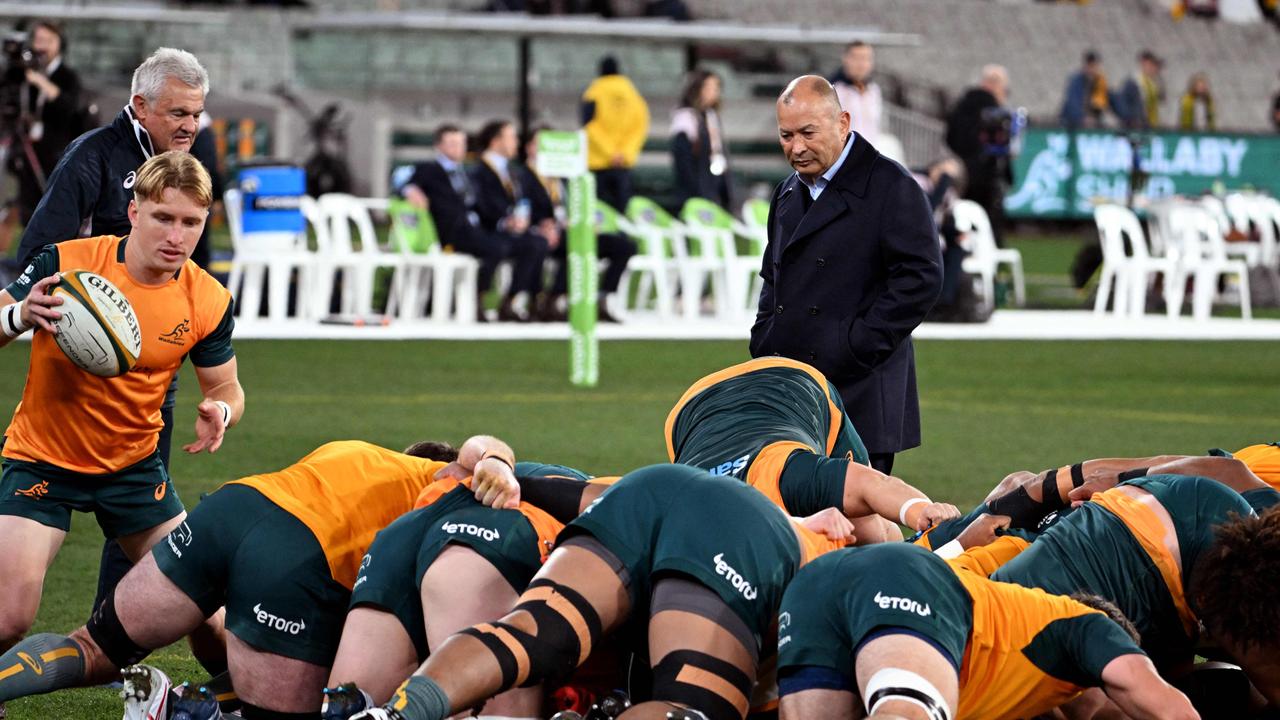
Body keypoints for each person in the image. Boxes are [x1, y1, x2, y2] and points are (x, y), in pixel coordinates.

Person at [0, 436, 519, 719]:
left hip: (231, 510)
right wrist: (498, 462)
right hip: (296, 555)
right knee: (346, 692)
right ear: (445, 468)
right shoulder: (441, 485)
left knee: (93, 647)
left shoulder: (354, 450)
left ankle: (183, 703)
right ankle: (181, 708)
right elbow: (480, 445)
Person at [348, 463, 853, 720]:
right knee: (694, 709)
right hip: (739, 540)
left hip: (645, 487)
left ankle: (394, 714)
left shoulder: (809, 533)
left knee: (534, 635)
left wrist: (509, 473)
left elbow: (585, 493)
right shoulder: (840, 579)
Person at [10, 46, 213, 661]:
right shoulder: (94, 153)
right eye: (178, 112)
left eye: (198, 114)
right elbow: (41, 248)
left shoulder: (188, 162)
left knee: (133, 511)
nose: (189, 126)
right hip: (80, 364)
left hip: (156, 362)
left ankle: (113, 648)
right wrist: (71, 313)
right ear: (140, 105)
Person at [750, 76, 942, 477]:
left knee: (860, 531)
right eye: (786, 135)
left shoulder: (892, 186)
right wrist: (765, 338)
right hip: (796, 391)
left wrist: (855, 345)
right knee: (804, 530)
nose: (796, 147)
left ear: (842, 123)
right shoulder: (787, 193)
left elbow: (921, 278)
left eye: (807, 133)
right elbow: (773, 275)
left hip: (862, 394)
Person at [775, 543, 1198, 720]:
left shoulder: (1014, 674)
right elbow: (1167, 707)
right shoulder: (1089, 626)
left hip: (816, 585)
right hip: (902, 579)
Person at [320, 461, 599, 718]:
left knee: (347, 708)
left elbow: (479, 447)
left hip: (405, 533)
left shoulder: (485, 470)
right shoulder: (627, 501)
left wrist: (496, 464)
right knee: (485, 703)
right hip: (491, 534)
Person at [666, 356, 957, 542]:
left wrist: (920, 512)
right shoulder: (675, 503)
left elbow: (873, 485)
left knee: (869, 533)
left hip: (794, 383)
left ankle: (916, 558)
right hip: (690, 410)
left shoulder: (789, 476)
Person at [519, 128, 635, 323]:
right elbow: (521, 207)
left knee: (624, 246)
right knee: (571, 243)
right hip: (543, 232)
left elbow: (571, 206)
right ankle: (552, 299)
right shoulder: (522, 177)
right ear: (529, 147)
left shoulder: (563, 177)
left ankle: (602, 298)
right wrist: (542, 224)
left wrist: (584, 221)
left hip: (570, 228)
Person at [391, 123, 505, 322]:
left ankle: (487, 298)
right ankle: (475, 298)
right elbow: (401, 180)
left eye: (461, 143)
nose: (458, 148)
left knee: (507, 243)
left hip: (473, 228)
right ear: (439, 146)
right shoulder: (429, 169)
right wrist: (408, 190)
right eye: (452, 143)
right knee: (495, 248)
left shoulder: (467, 172)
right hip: (450, 232)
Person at [470, 119, 551, 322]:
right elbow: (479, 203)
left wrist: (522, 220)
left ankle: (512, 300)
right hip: (487, 230)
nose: (516, 142)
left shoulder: (510, 171)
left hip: (509, 230)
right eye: (512, 137)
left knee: (536, 243)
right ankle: (477, 298)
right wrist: (505, 221)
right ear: (496, 141)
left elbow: (518, 201)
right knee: (498, 247)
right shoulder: (479, 171)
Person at [5, 20, 82, 232]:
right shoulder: (23, 75)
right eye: (38, 40)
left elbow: (69, 107)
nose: (41, 47)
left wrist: (40, 81)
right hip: (27, 150)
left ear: (59, 45)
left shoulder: (67, 76)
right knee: (26, 206)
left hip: (55, 153)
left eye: (47, 41)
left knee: (52, 205)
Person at [945, 64, 1013, 248]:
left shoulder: (962, 106)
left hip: (963, 177)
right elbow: (1006, 148)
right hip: (988, 178)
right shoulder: (997, 114)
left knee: (963, 224)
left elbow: (950, 138)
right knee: (989, 228)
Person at [581, 56, 649, 212]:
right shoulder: (632, 93)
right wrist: (624, 153)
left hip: (598, 162)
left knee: (598, 212)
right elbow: (640, 125)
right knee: (624, 211)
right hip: (623, 163)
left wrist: (610, 152)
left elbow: (589, 124)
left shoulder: (594, 91)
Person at [671, 69, 731, 209]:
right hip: (695, 190)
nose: (715, 92)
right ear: (697, 89)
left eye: (717, 88)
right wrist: (695, 191)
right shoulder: (685, 118)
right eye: (710, 87)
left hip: (711, 185)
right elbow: (683, 160)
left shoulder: (711, 116)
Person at [831, 40, 882, 148]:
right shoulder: (834, 91)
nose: (861, 64)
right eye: (856, 58)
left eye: (865, 58)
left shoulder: (874, 91)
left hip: (870, 155)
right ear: (845, 59)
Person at [1059, 50, 1111, 129]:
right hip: (1073, 121)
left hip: (1091, 122)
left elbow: (1104, 102)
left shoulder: (1099, 82)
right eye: (1091, 66)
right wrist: (1083, 118)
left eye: (1095, 66)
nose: (1093, 69)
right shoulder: (1076, 81)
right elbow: (1072, 103)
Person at [1116, 50, 1165, 130]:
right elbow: (1122, 101)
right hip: (1137, 125)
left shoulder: (1153, 83)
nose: (1155, 69)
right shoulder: (1135, 81)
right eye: (1152, 65)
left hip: (1150, 124)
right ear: (1144, 64)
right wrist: (1131, 119)